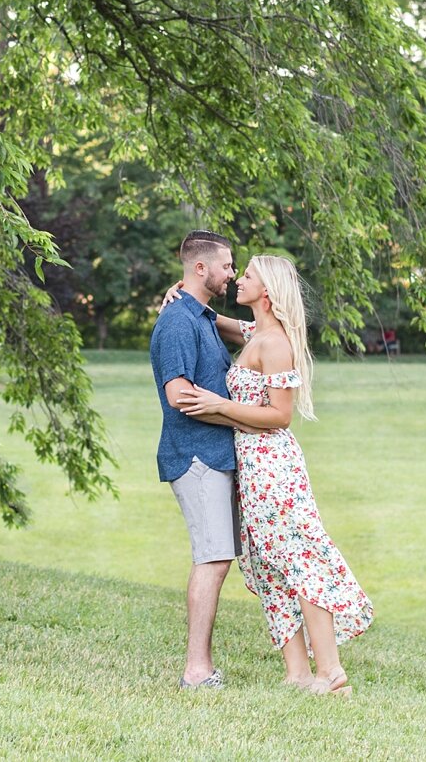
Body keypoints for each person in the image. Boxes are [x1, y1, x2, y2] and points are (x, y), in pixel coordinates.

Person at [174, 254, 373, 696]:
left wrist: (220, 406)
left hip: (273, 466)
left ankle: (331, 673)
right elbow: (215, 319)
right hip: (252, 466)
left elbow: (280, 416)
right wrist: (180, 296)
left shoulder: (275, 343)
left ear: (266, 291)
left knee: (299, 562)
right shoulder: (255, 334)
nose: (237, 279)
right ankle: (297, 673)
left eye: (247, 275)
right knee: (269, 567)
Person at [148, 230, 248, 689]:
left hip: (214, 454)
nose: (233, 273)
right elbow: (178, 394)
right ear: (201, 268)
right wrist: (241, 418)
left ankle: (200, 666)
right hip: (195, 456)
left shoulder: (201, 316)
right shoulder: (176, 323)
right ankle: (196, 671)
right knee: (211, 558)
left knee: (217, 558)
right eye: (228, 266)